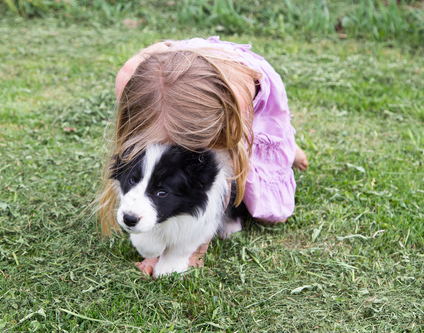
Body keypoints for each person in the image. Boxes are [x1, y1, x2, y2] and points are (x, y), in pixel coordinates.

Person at [100, 36, 308, 276]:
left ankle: (289, 147)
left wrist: (196, 249)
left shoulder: (231, 108)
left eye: (179, 145)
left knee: (265, 159)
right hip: (181, 68)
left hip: (245, 85)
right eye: (162, 144)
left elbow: (215, 190)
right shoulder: (132, 86)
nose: (170, 151)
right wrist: (152, 250)